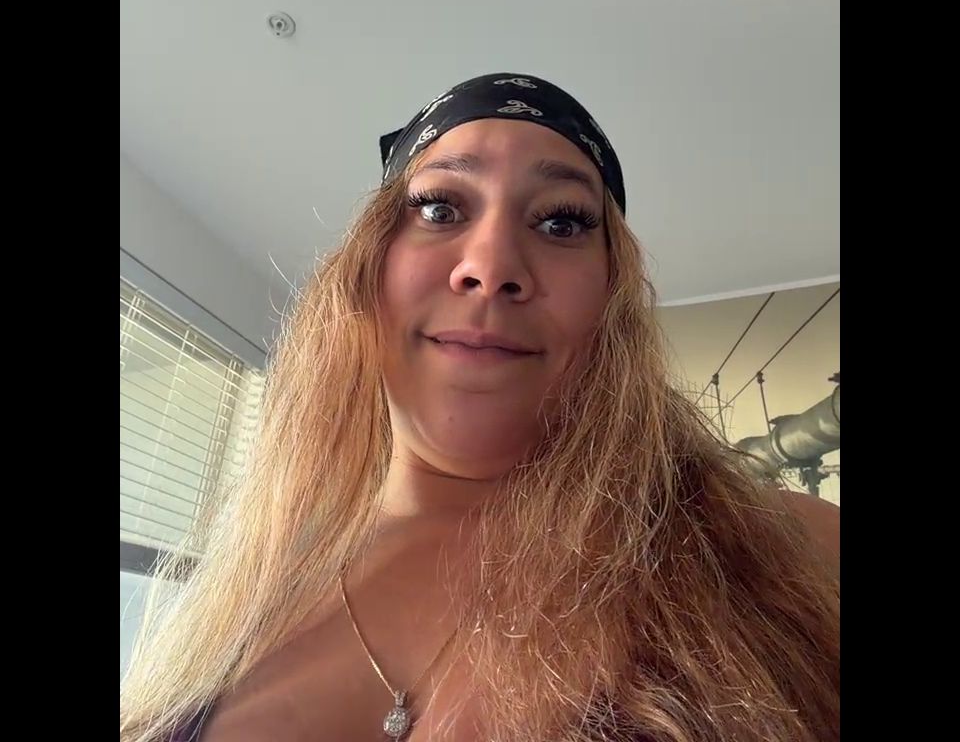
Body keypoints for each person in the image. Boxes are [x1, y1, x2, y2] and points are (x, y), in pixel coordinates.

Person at [121, 74, 840, 742]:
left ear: (612, 301)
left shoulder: (792, 555)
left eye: (561, 223)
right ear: (367, 268)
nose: (491, 266)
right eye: (439, 208)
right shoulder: (241, 596)